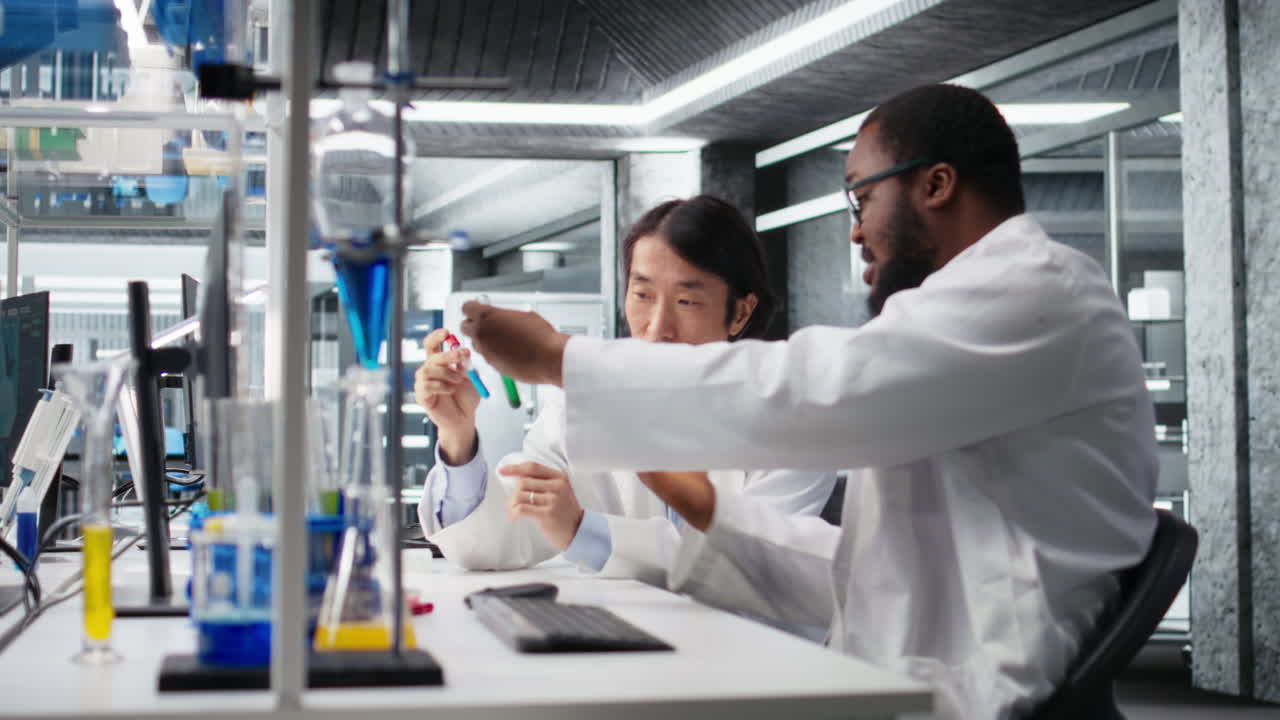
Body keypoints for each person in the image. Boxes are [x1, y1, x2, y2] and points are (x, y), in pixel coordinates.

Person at [457, 84, 1158, 720]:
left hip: (974, 700)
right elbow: (859, 572)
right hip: (901, 676)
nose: (854, 230)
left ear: (936, 185)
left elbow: (823, 388)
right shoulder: (958, 323)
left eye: (862, 198)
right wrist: (707, 508)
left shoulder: (1037, 289)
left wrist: (560, 360)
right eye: (642, 294)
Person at [415, 195, 837, 604]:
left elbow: (754, 564)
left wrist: (585, 531)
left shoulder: (790, 418)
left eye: (686, 301)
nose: (657, 328)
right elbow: (499, 540)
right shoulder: (578, 407)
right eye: (643, 295)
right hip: (632, 655)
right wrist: (457, 436)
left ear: (741, 313)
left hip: (761, 661)